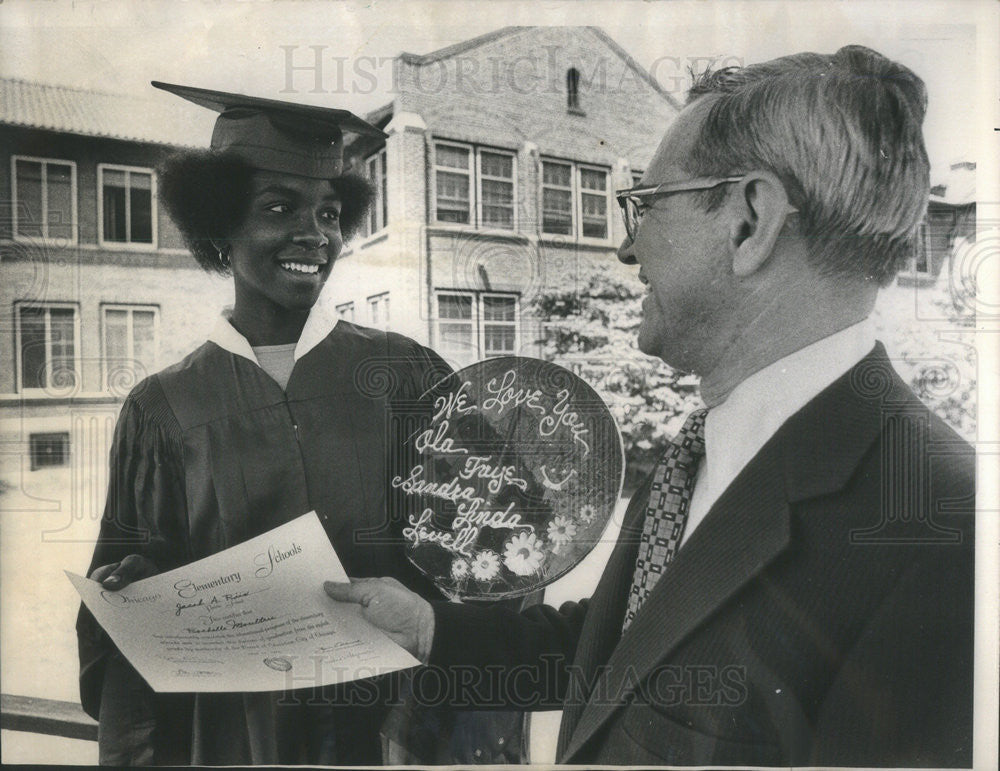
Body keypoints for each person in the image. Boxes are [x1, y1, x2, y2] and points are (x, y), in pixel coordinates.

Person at [325, 45, 975, 766]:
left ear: (749, 223)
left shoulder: (945, 534)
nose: (625, 248)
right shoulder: (702, 450)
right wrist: (430, 628)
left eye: (645, 204)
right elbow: (628, 647)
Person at [76, 82, 453, 765]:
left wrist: (430, 708)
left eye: (331, 213)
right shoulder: (163, 408)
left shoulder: (407, 374)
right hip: (231, 740)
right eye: (279, 208)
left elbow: (499, 556)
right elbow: (123, 643)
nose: (314, 235)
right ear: (218, 223)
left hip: (397, 731)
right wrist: (139, 584)